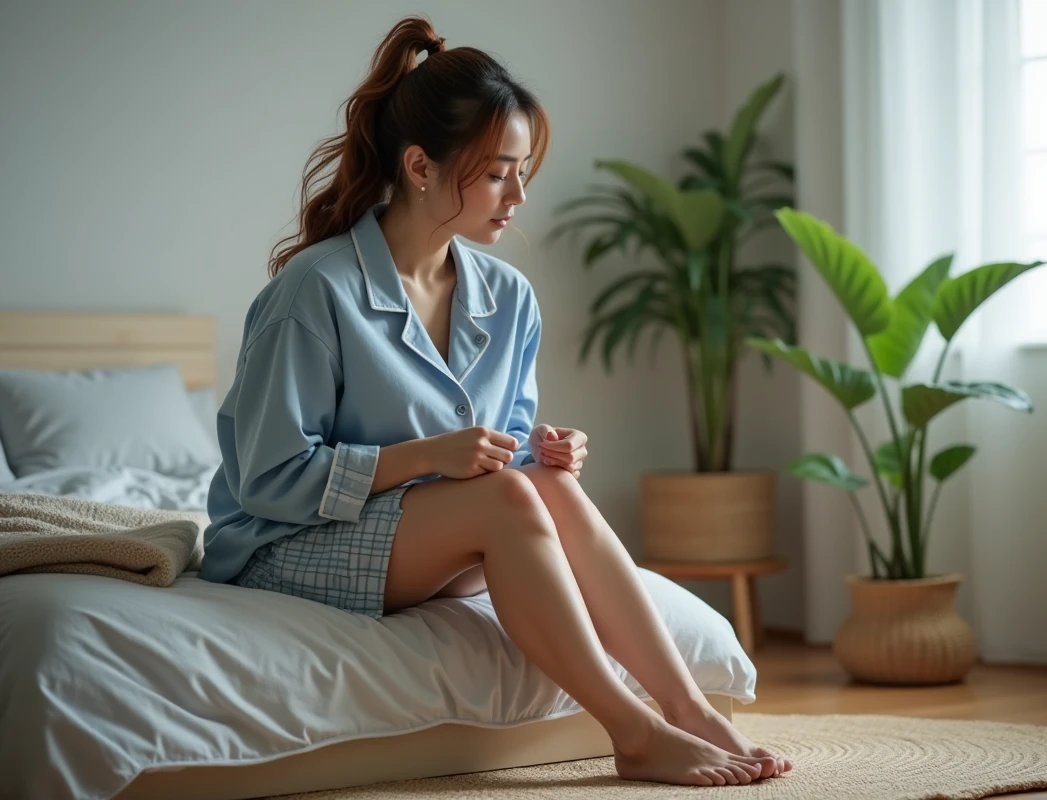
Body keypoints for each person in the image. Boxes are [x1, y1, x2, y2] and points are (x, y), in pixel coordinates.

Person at [199, 15, 792, 787]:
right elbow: (268, 479)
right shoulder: (314, 293)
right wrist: (427, 457)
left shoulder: (507, 296)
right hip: (288, 540)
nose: (519, 195)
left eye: (523, 171)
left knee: (541, 485)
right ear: (419, 166)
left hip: (431, 533)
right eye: (497, 173)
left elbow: (496, 444)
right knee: (511, 503)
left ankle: (691, 710)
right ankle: (632, 728)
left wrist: (539, 448)